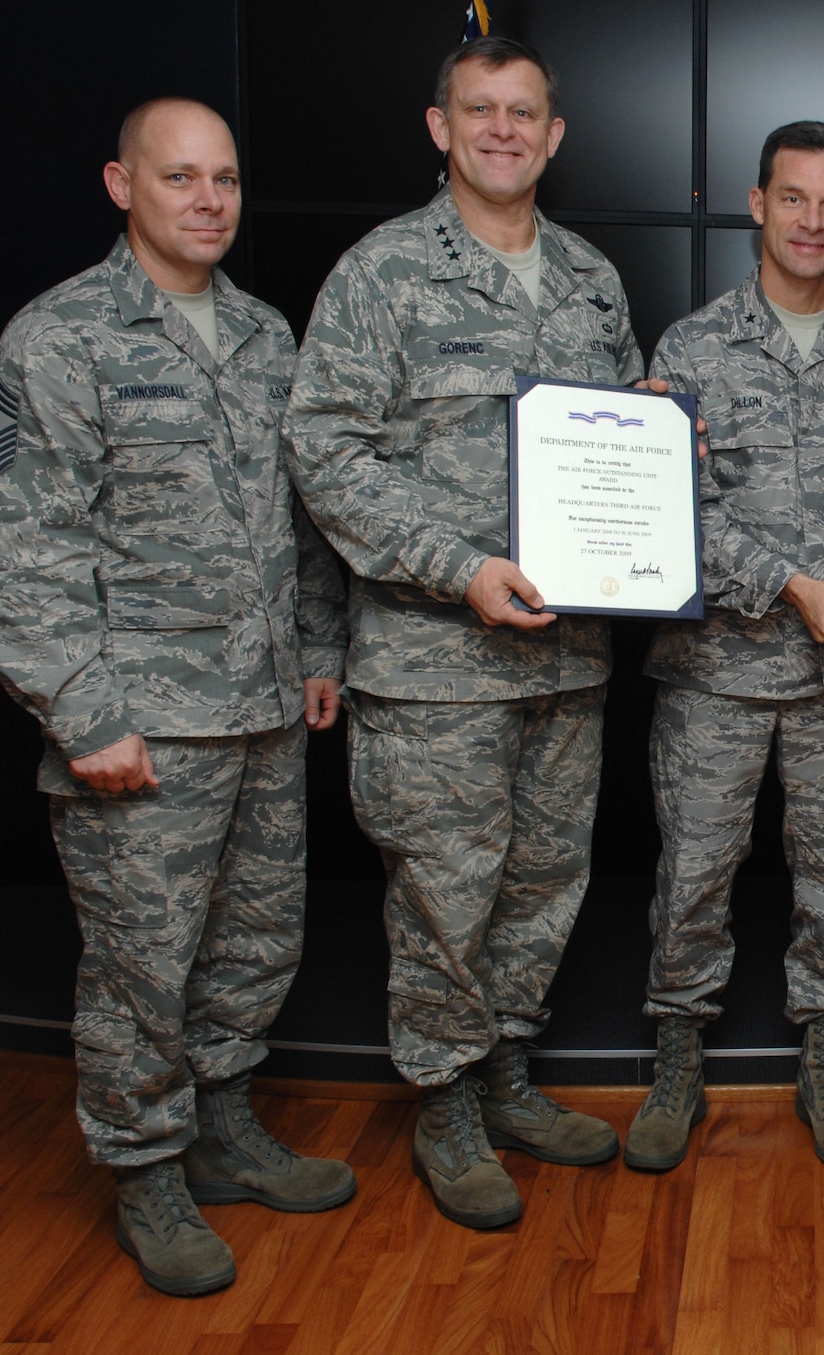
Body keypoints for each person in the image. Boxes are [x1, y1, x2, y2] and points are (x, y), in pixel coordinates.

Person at [0, 98, 354, 1297]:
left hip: (258, 710)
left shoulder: (262, 334)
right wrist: (81, 712)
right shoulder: (63, 337)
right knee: (142, 966)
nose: (207, 200)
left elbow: (298, 525)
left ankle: (225, 1128)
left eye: (225, 178)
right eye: (179, 177)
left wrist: (317, 649)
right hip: (139, 725)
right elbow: (23, 546)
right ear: (119, 184)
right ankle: (146, 1168)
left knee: (251, 945)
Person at [285, 36, 646, 1229]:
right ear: (439, 127)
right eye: (478, 110)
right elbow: (324, 450)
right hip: (435, 669)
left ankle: (504, 1072)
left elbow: (620, 446)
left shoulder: (593, 280)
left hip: (566, 660)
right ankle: (441, 1099)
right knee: (444, 894)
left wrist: (656, 449)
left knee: (543, 883)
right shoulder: (380, 273)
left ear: (553, 137)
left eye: (524, 112)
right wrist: (457, 566)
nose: (502, 130)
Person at [623, 121, 824, 1173]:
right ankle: (675, 1057)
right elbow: (671, 516)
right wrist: (787, 584)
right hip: (718, 678)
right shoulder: (689, 349)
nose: (812, 222)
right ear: (756, 203)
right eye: (793, 198)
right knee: (696, 871)